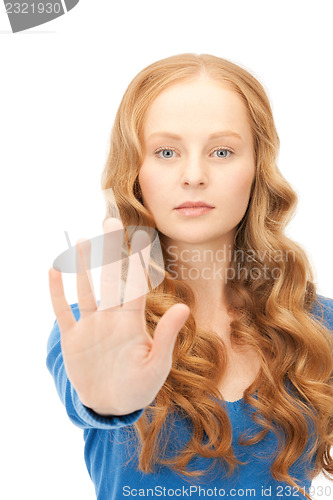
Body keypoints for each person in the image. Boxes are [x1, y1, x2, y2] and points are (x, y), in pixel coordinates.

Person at [47, 53, 333, 500]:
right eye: (166, 152)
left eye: (222, 151)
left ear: (257, 168)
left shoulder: (318, 323)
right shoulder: (95, 330)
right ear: (135, 173)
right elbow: (89, 395)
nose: (194, 176)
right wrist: (107, 404)